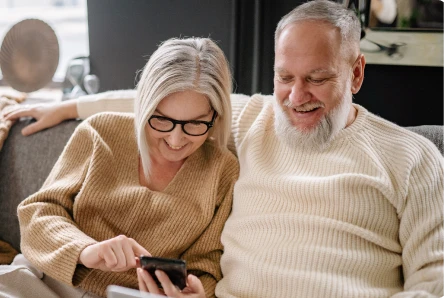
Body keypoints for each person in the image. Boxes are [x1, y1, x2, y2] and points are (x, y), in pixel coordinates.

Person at [4, 0, 444, 297]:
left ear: (357, 74)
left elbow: (435, 278)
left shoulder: (414, 157)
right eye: (285, 78)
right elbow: (166, 96)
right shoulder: (256, 120)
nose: (296, 97)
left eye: (318, 78)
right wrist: (68, 106)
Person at [0, 37, 239, 298]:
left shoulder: (222, 170)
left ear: (216, 116)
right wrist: (86, 250)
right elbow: (38, 214)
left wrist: (197, 293)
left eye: (195, 124)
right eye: (160, 119)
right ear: (144, 106)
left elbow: (209, 267)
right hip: (45, 283)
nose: (175, 140)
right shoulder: (100, 132)